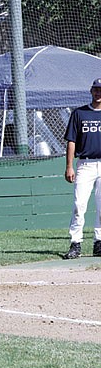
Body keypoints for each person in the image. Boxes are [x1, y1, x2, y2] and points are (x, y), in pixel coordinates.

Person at [63, 78, 101, 260]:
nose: (98, 93)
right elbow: (71, 141)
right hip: (85, 164)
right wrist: (69, 166)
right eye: (95, 90)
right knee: (79, 204)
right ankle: (75, 243)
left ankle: (99, 243)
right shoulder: (80, 113)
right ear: (91, 91)